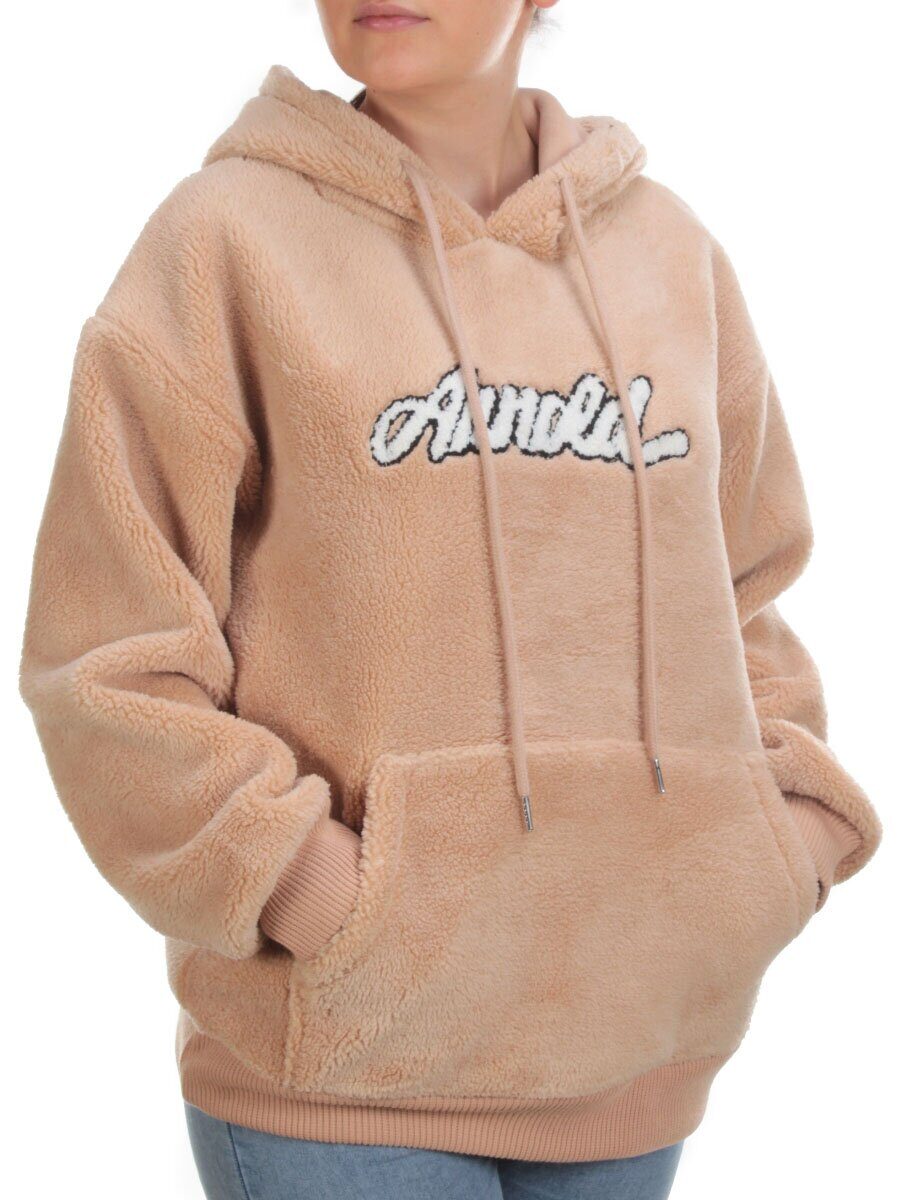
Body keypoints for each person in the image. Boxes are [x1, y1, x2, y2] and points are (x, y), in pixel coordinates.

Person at [18, 2, 881, 1198]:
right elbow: (104, 651)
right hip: (342, 1079)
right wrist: (311, 889)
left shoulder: (668, 256)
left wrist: (776, 846)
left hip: (635, 1057)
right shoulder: (224, 241)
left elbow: (747, 591)